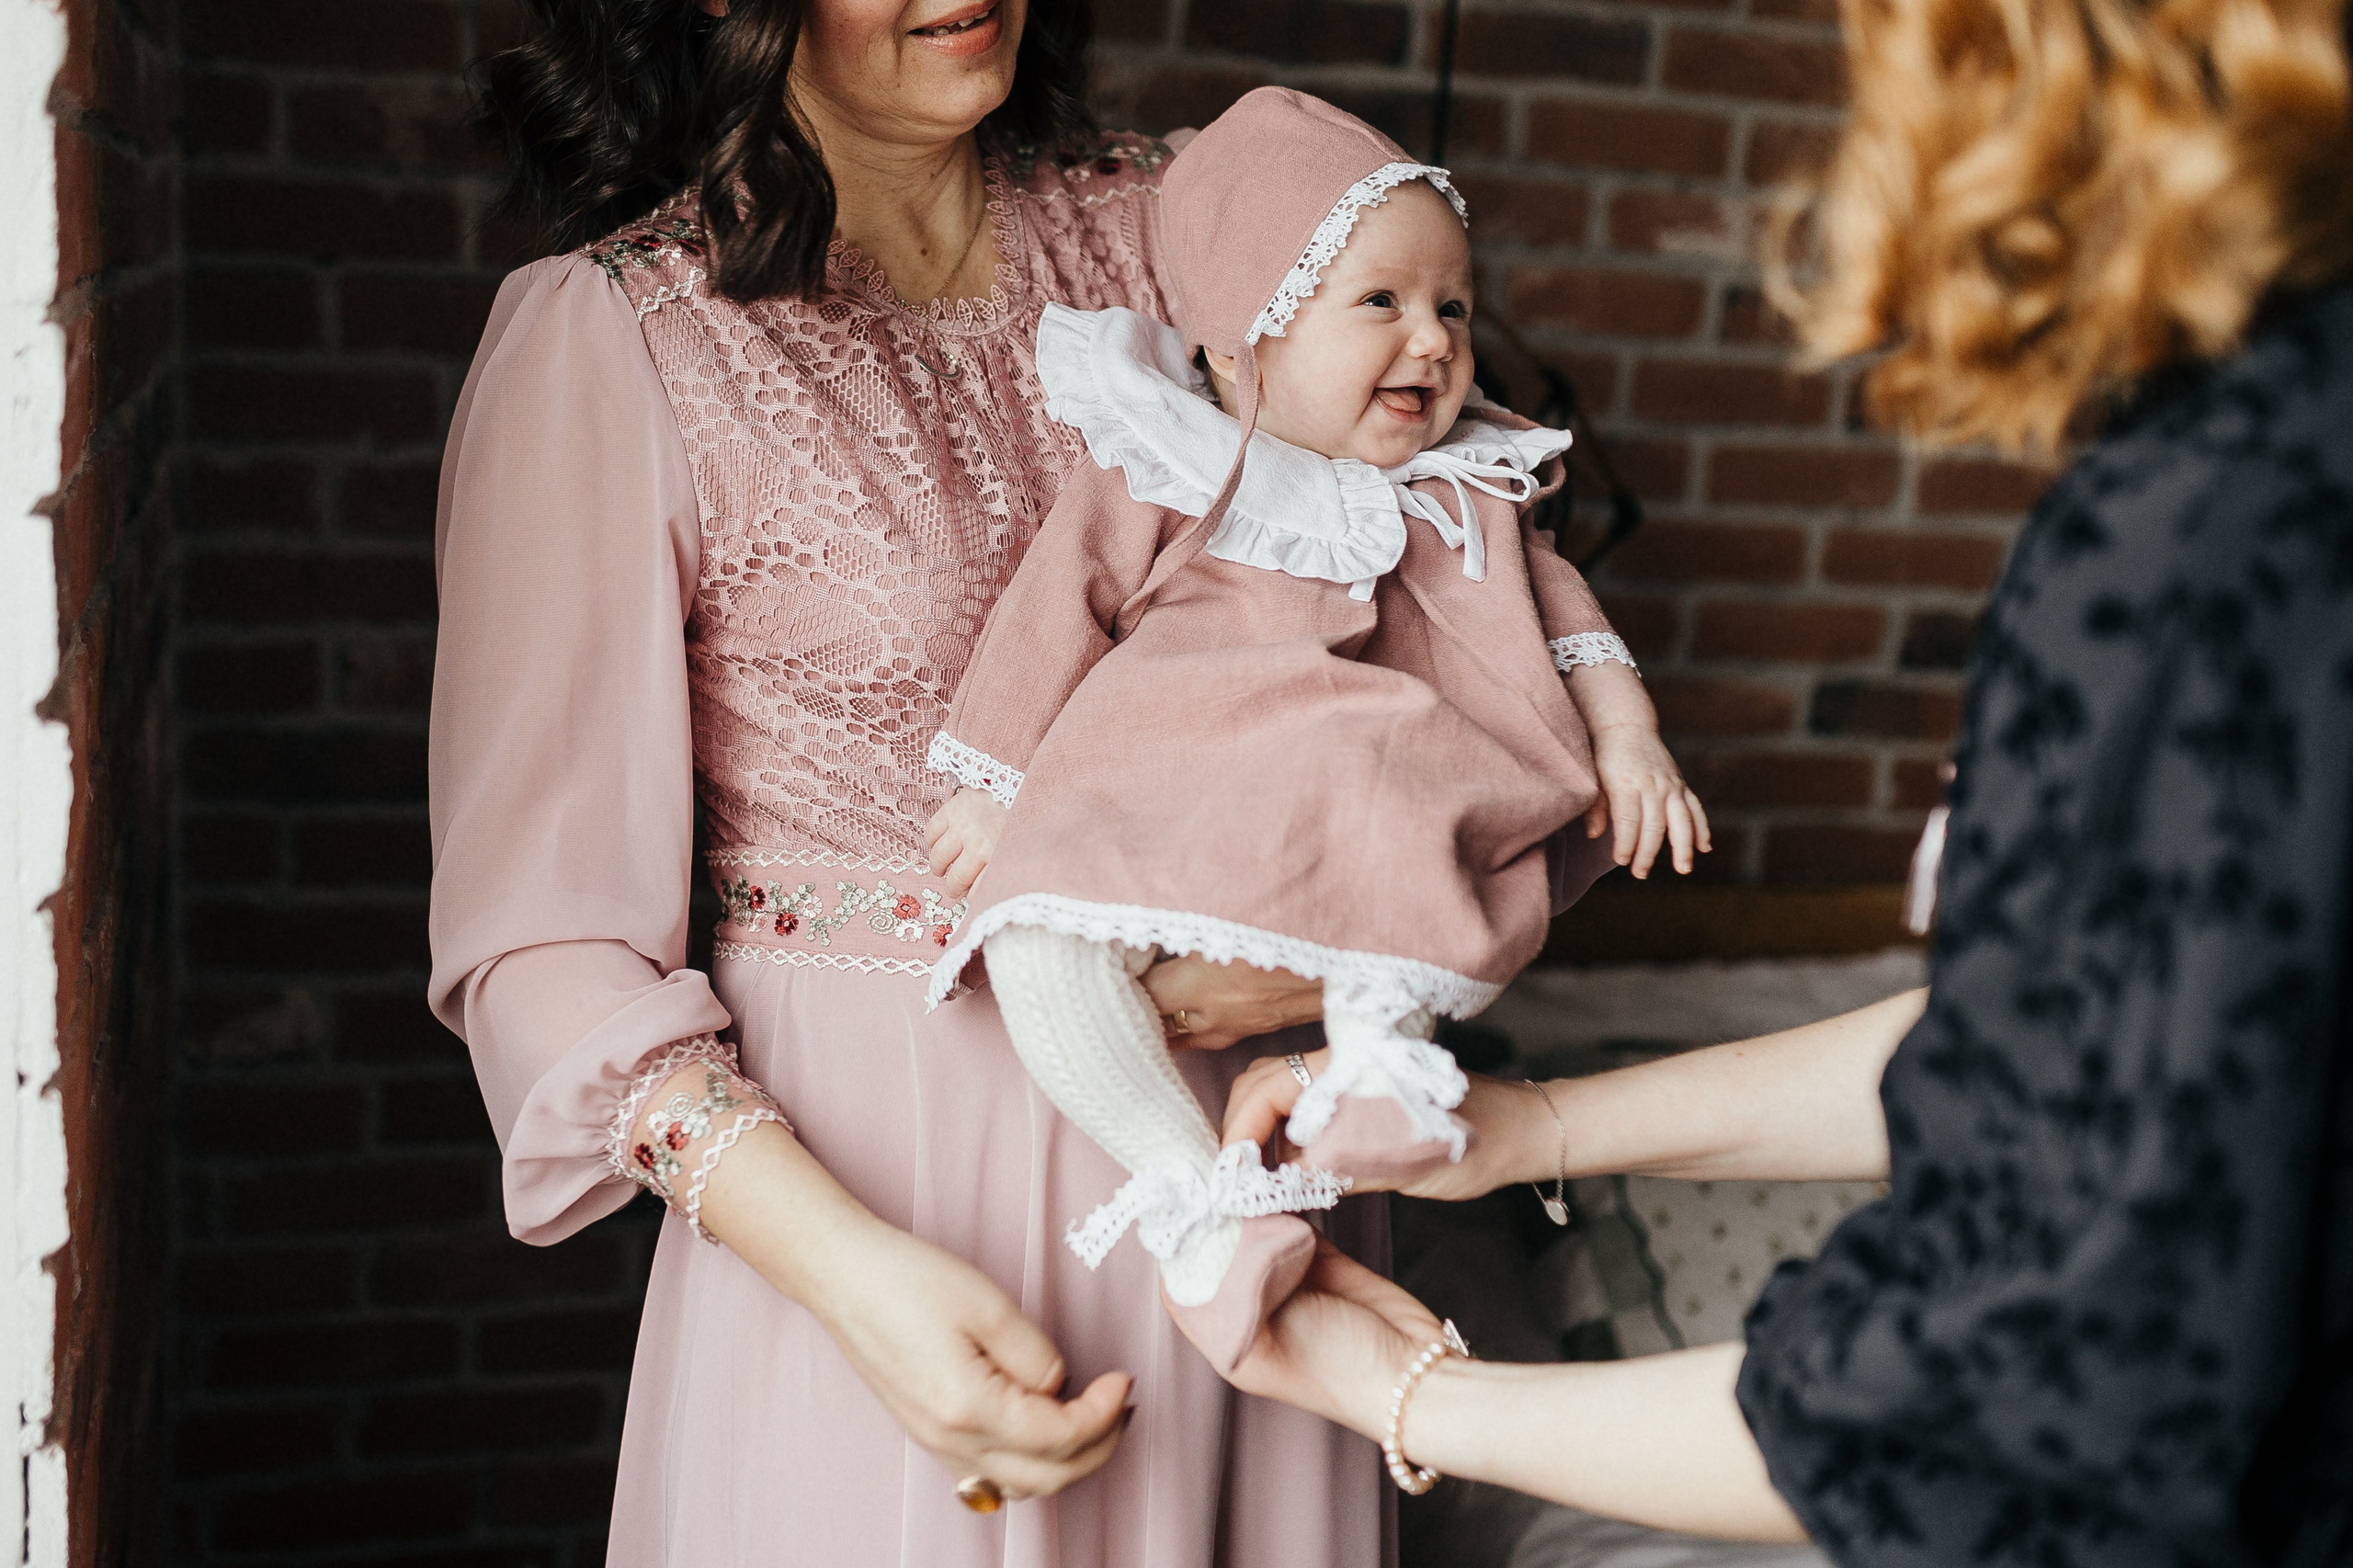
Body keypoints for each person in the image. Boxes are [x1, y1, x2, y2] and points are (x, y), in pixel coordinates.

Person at [1203, 0, 2353, 1555]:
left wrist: (1408, 1393)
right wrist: (1528, 1128)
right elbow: (2065, 1053)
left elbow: (2020, 1376)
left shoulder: (2215, 541)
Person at [431, 3, 1386, 1562]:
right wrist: (852, 1279)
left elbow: (1472, 620)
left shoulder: (1202, 224)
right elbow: (540, 949)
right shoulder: (617, 332)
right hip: (881, 1235)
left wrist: (1330, 938)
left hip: (1244, 1183)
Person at [916, 88, 1706, 1372]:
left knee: (1404, 864)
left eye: (1452, 307)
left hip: (1369, 799)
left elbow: (1568, 623)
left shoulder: (1471, 491)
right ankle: (1191, 1196)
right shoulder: (1168, 459)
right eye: (1382, 304)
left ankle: (1384, 1069)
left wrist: (1630, 738)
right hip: (1173, 787)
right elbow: (1059, 607)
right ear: (1244, 342)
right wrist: (999, 781)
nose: (1436, 341)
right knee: (1042, 936)